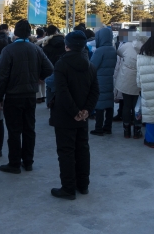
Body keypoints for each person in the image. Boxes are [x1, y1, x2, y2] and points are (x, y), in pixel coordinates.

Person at [0, 20, 53, 174]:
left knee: (14, 130)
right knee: (29, 129)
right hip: (30, 95)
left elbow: (2, 77)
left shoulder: (8, 50)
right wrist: (38, 77)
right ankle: (28, 161)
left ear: (15, 32)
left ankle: (14, 163)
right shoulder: (36, 49)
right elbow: (50, 68)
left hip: (13, 96)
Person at [49, 31, 99, 200]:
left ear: (67, 45)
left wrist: (75, 112)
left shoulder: (61, 64)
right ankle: (83, 184)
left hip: (65, 116)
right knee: (82, 149)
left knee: (66, 151)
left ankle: (68, 188)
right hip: (82, 117)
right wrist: (86, 110)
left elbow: (62, 92)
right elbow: (95, 91)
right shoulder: (90, 65)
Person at [115, 31, 147, 139]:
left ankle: (126, 130)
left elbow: (119, 52)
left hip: (126, 78)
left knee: (127, 105)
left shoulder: (127, 45)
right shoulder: (146, 48)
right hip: (140, 79)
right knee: (138, 106)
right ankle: (137, 130)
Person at [89, 28, 117, 136]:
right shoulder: (113, 49)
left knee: (100, 104)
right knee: (109, 104)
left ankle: (98, 128)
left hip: (100, 80)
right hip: (111, 79)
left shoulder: (100, 51)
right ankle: (108, 127)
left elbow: (92, 66)